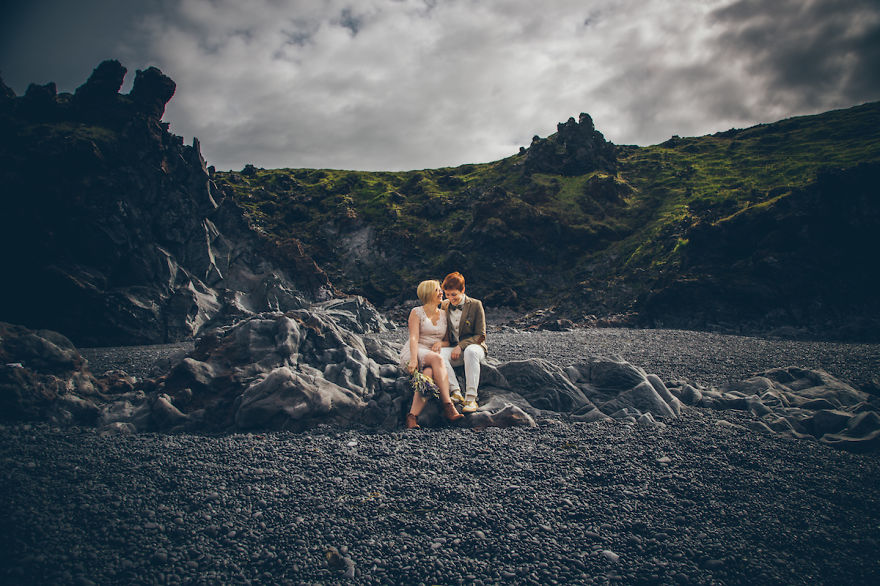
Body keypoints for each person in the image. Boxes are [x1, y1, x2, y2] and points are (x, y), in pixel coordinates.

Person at [399, 279, 464, 429]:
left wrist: (441, 344)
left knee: (428, 374)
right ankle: (448, 405)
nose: (441, 293)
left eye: (440, 290)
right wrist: (413, 360)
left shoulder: (444, 314)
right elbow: (413, 338)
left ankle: (412, 417)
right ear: (428, 293)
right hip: (415, 351)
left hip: (431, 354)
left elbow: (447, 341)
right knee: (438, 359)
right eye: (437, 290)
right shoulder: (416, 312)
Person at [439, 272, 487, 413]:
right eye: (447, 294)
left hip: (475, 347)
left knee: (471, 351)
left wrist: (461, 346)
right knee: (438, 355)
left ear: (463, 290)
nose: (450, 298)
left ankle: (471, 399)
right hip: (453, 349)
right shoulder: (444, 305)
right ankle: (456, 392)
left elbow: (481, 335)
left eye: (454, 294)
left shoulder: (476, 305)